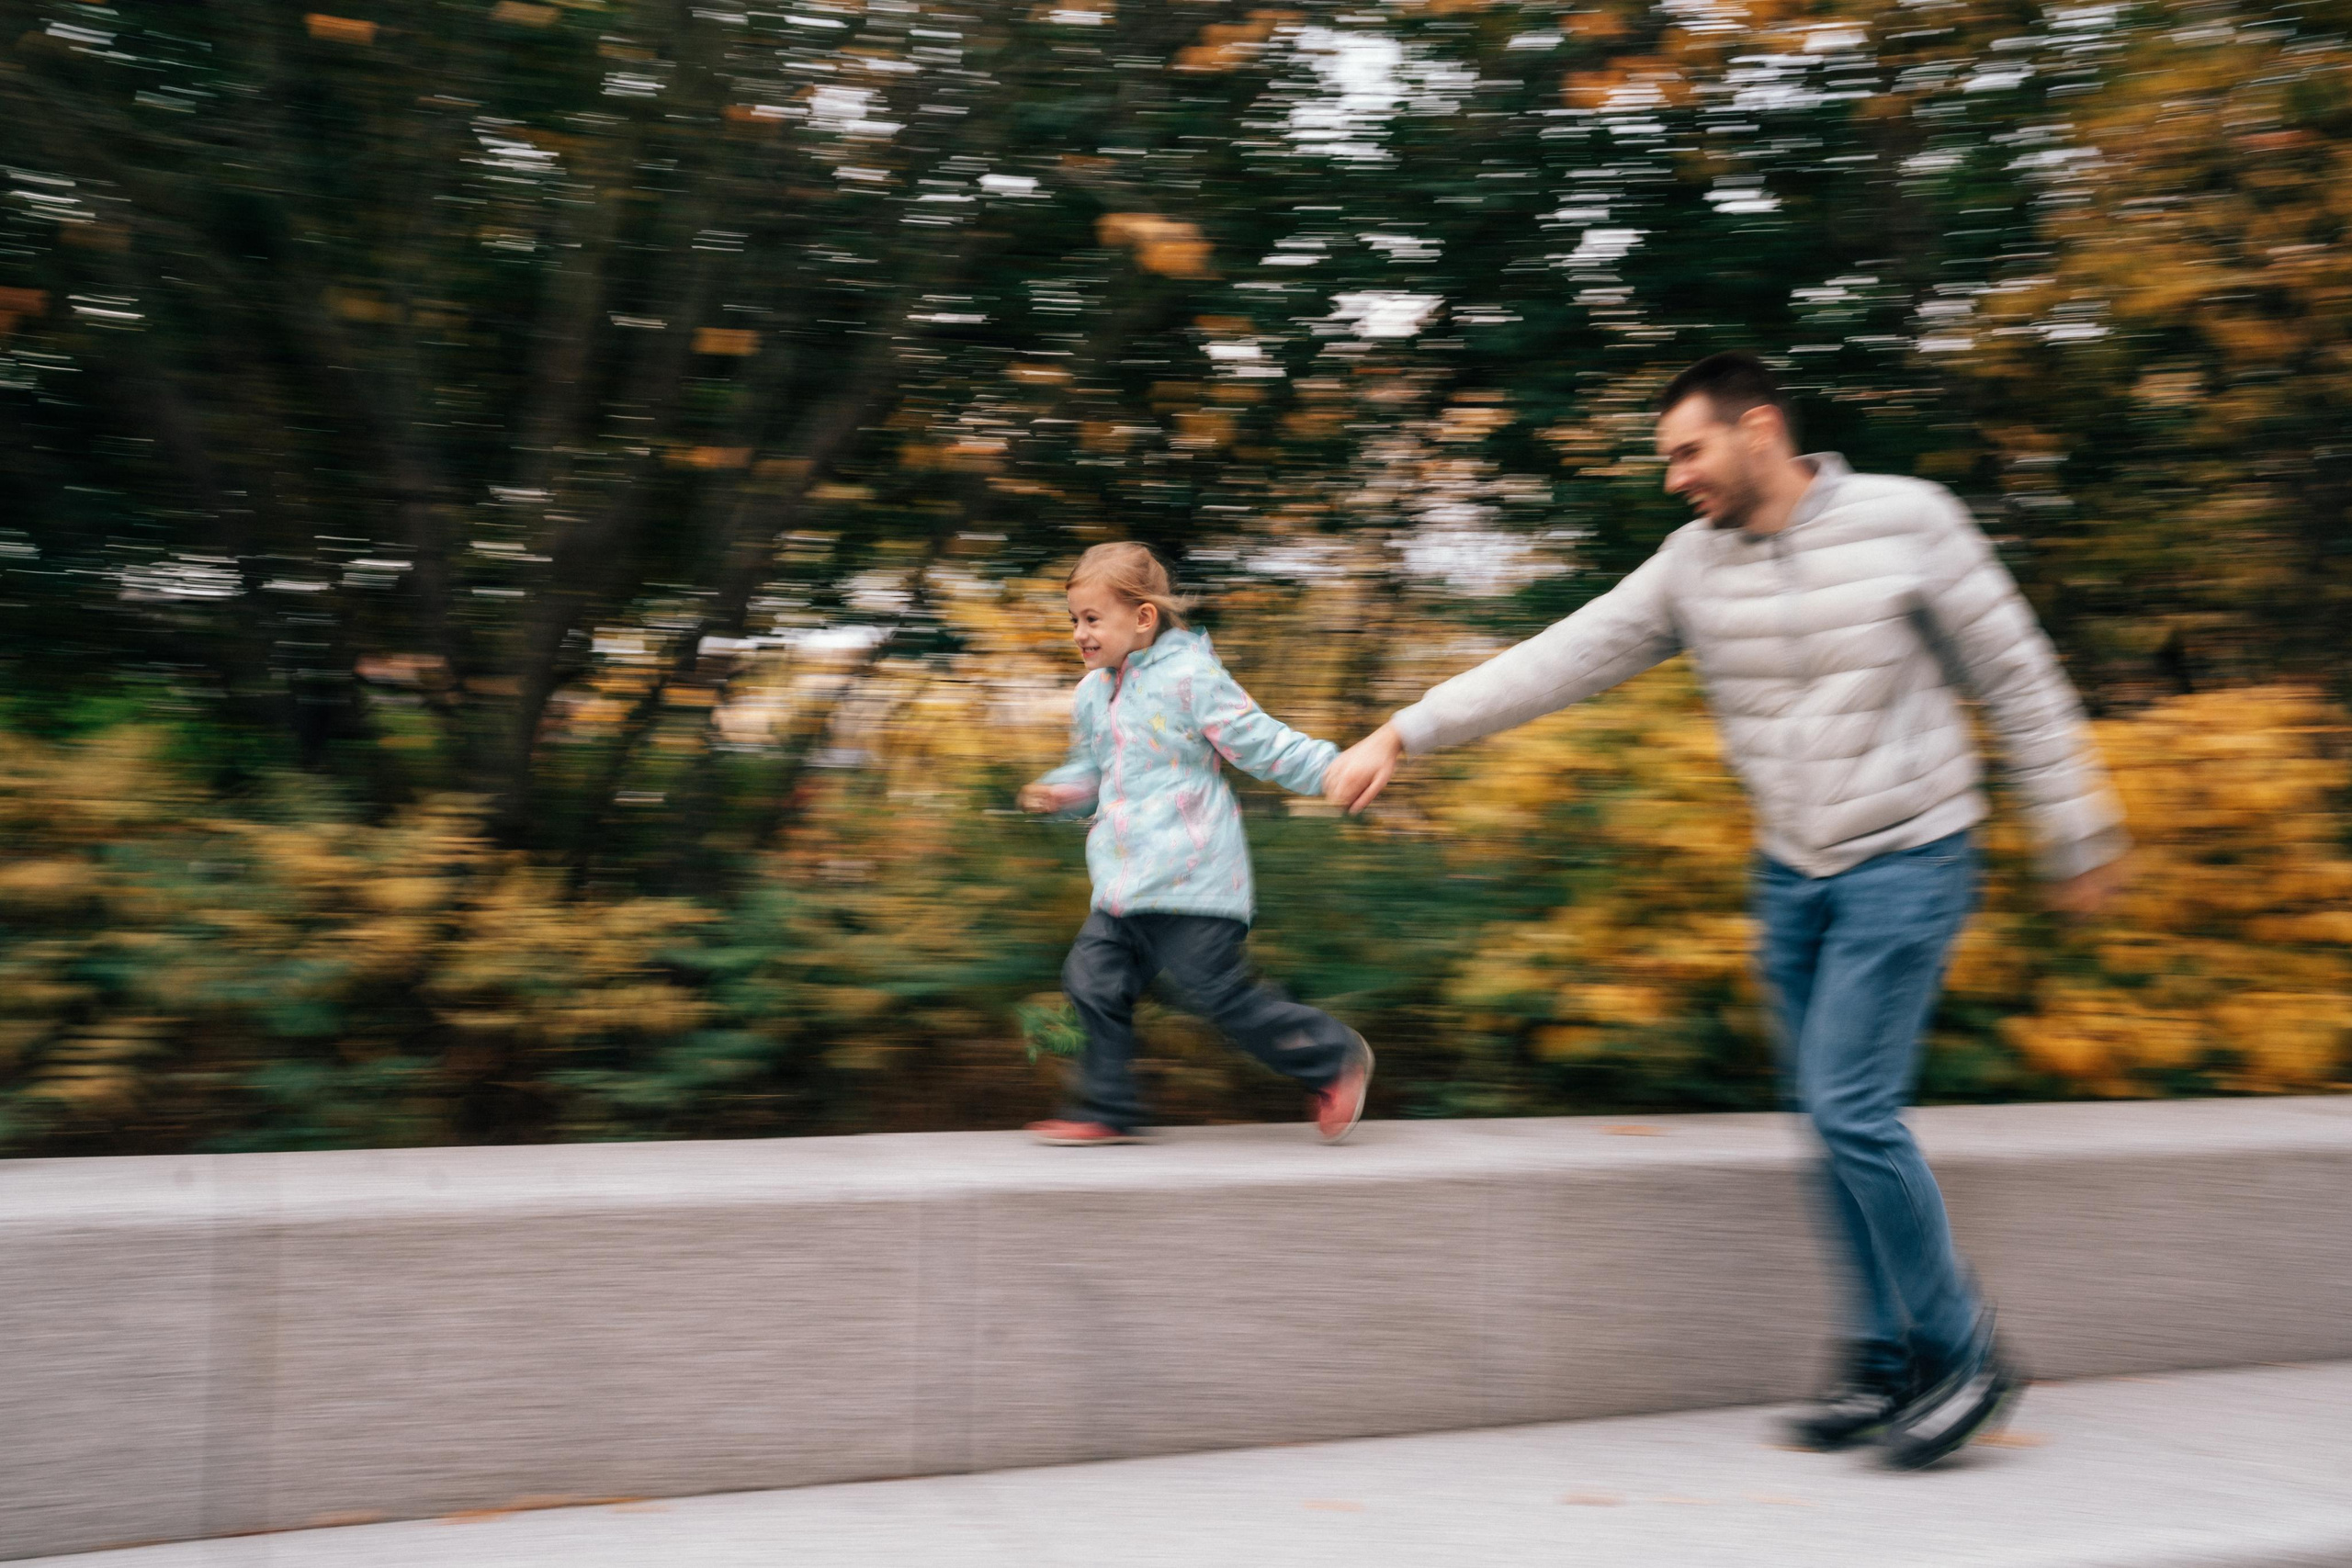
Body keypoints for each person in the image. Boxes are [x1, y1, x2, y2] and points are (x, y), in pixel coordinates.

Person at [1323, 353, 2129, 1471]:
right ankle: (1880, 1358)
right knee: (1823, 1114)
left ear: (1759, 430)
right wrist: (1405, 731)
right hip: (1790, 871)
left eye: (1687, 452)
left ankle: (1963, 1354)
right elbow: (1565, 655)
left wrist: (2075, 829)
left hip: (1910, 854)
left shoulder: (1909, 518)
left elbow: (2016, 675)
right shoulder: (1690, 566)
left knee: (1849, 1106)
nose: (1674, 479)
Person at [1019, 542, 1374, 1147]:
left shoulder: (1191, 678)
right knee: (1090, 979)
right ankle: (1107, 1106)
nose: (1079, 632)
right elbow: (1093, 771)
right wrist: (1061, 792)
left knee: (1213, 991)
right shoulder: (1092, 693)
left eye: (1092, 618)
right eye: (1074, 619)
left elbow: (1261, 742)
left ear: (1143, 618)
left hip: (1195, 877)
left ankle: (1333, 1055)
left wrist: (1332, 770)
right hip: (1125, 884)